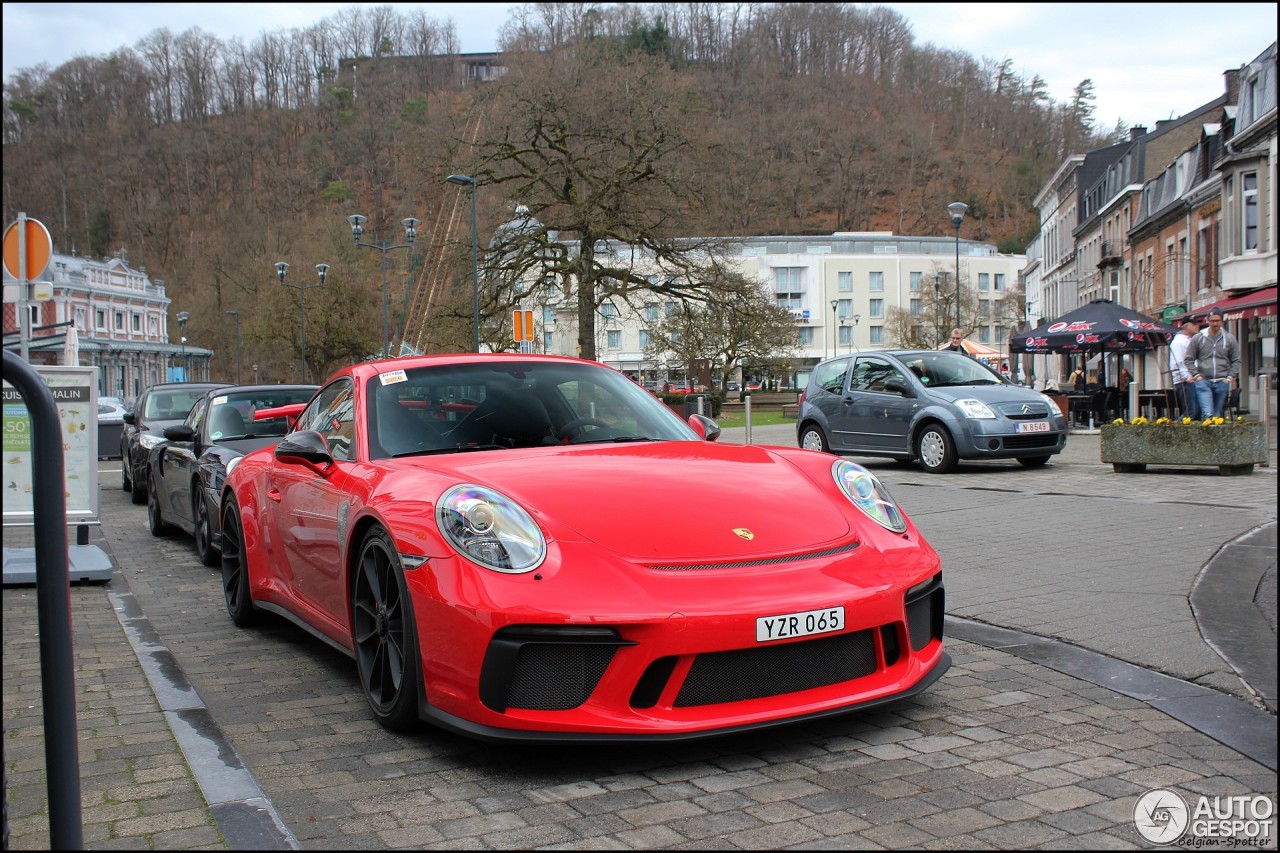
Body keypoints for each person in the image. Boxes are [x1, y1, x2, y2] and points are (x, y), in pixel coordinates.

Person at [1184, 307, 1240, 418]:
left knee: (1217, 415)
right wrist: (1196, 376)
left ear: (1222, 321)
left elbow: (1236, 360)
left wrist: (1229, 378)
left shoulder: (1229, 339)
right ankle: (1207, 432)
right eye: (1212, 320)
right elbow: (1189, 359)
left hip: (1221, 381)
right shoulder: (1198, 338)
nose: (1215, 323)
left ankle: (1214, 435)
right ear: (1207, 321)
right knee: (1208, 413)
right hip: (1204, 381)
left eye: (1217, 320)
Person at [1169, 316, 1200, 420]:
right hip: (1185, 381)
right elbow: (1179, 362)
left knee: (1195, 411)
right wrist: (1188, 378)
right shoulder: (1179, 342)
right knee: (1191, 411)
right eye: (1194, 324)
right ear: (1186, 326)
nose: (1197, 326)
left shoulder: (1189, 340)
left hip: (1192, 379)